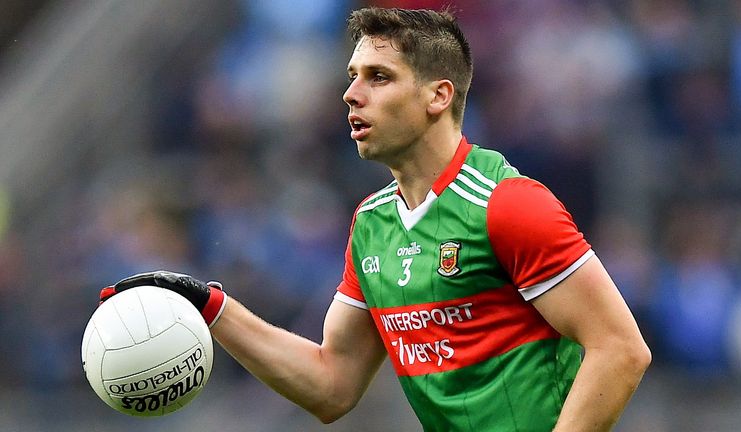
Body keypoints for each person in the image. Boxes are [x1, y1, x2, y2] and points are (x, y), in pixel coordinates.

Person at [100, 7, 651, 431]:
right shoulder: (372, 223)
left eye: (378, 77)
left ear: (438, 96)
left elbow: (621, 349)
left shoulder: (508, 205)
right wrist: (211, 306)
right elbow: (331, 386)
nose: (351, 94)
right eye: (352, 75)